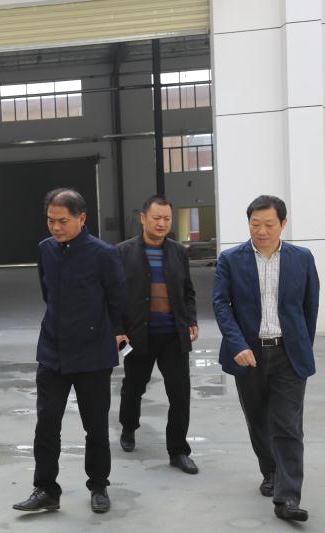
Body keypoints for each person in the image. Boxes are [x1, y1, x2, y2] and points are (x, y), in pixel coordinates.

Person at [13, 188, 125, 515]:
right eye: (51, 220)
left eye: (63, 221)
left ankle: (99, 485)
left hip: (93, 355)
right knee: (46, 424)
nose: (56, 227)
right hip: (53, 352)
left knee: (96, 427)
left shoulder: (103, 254)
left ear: (82, 218)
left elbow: (117, 300)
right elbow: (47, 294)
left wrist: (116, 333)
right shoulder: (45, 250)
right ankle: (46, 489)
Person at [213, 195, 318, 522]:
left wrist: (299, 344)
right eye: (255, 224)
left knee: (288, 425)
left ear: (283, 224)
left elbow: (309, 307)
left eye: (269, 224)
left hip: (288, 353)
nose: (261, 231)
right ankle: (270, 470)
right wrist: (237, 344)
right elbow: (221, 304)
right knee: (258, 419)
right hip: (249, 354)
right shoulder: (231, 259)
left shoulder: (302, 258)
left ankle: (287, 497)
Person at [116, 195, 199, 474]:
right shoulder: (123, 252)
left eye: (167, 219)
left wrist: (191, 320)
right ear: (143, 218)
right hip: (139, 334)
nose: (162, 223)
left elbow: (188, 291)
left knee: (180, 395)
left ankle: (178, 451)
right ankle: (128, 426)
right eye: (156, 218)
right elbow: (113, 296)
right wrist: (118, 331)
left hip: (173, 335)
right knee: (133, 388)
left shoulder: (178, 252)